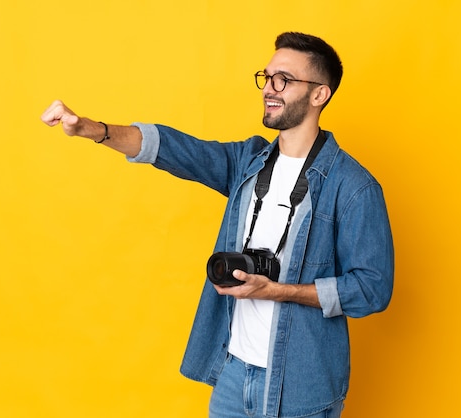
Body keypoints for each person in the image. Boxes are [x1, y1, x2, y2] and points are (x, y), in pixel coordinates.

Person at [41, 32, 394, 418]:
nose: (269, 89)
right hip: (232, 375)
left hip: (300, 389)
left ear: (319, 95)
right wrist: (94, 130)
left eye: (285, 79)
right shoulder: (249, 160)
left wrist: (281, 291)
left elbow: (373, 289)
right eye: (267, 76)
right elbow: (173, 148)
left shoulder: (354, 187)